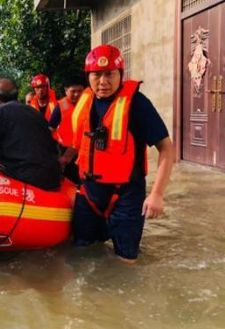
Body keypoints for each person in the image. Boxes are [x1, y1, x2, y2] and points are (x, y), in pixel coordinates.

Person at [71, 44, 173, 263]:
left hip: (126, 195)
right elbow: (78, 145)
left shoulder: (137, 104)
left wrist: (157, 194)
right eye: (96, 75)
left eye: (109, 74)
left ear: (121, 74)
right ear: (88, 76)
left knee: (125, 263)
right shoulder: (84, 102)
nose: (103, 82)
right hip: (89, 194)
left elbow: (166, 148)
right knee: (81, 255)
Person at [48, 73, 86, 183]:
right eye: (73, 91)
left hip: (85, 152)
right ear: (66, 90)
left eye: (80, 91)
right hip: (65, 154)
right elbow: (50, 130)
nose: (76, 94)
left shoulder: (90, 105)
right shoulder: (60, 107)